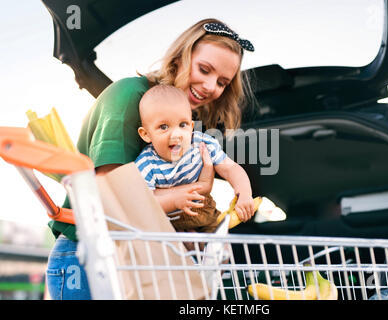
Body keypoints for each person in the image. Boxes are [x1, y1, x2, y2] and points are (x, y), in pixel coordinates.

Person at [46, 18, 255, 300]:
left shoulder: (185, 127)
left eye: (222, 82)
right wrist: (186, 193)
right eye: (204, 69)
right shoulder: (129, 95)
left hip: (137, 258)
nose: (209, 86)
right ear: (180, 58)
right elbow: (112, 199)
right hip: (88, 257)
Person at [135, 84, 254, 233]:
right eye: (164, 127)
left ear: (191, 126)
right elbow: (143, 202)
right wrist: (174, 200)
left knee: (220, 249)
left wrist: (244, 193)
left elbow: (230, 168)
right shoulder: (146, 164)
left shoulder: (201, 144)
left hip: (203, 212)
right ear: (146, 134)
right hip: (168, 225)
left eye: (182, 124)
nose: (176, 134)